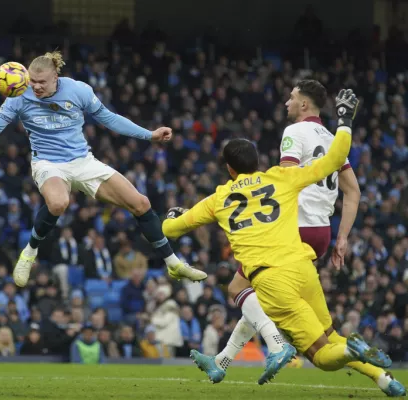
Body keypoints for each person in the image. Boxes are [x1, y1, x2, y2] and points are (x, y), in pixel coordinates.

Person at [162, 89, 394, 385]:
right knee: (313, 326)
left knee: (244, 291)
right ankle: (383, 378)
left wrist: (171, 216)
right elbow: (344, 171)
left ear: (229, 168)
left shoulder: (223, 195)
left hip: (290, 236)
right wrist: (345, 121)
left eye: (292, 97)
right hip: (314, 240)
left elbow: (171, 229)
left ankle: (275, 344)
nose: (287, 101)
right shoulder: (282, 175)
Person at [0, 51, 206, 287]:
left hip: (83, 161)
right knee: (58, 203)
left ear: (56, 77)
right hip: (48, 162)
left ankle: (173, 263)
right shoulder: (19, 97)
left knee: (141, 204)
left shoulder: (78, 90)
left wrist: (149, 135)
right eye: (32, 81)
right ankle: (29, 253)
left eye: (42, 82)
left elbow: (109, 119)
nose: (36, 87)